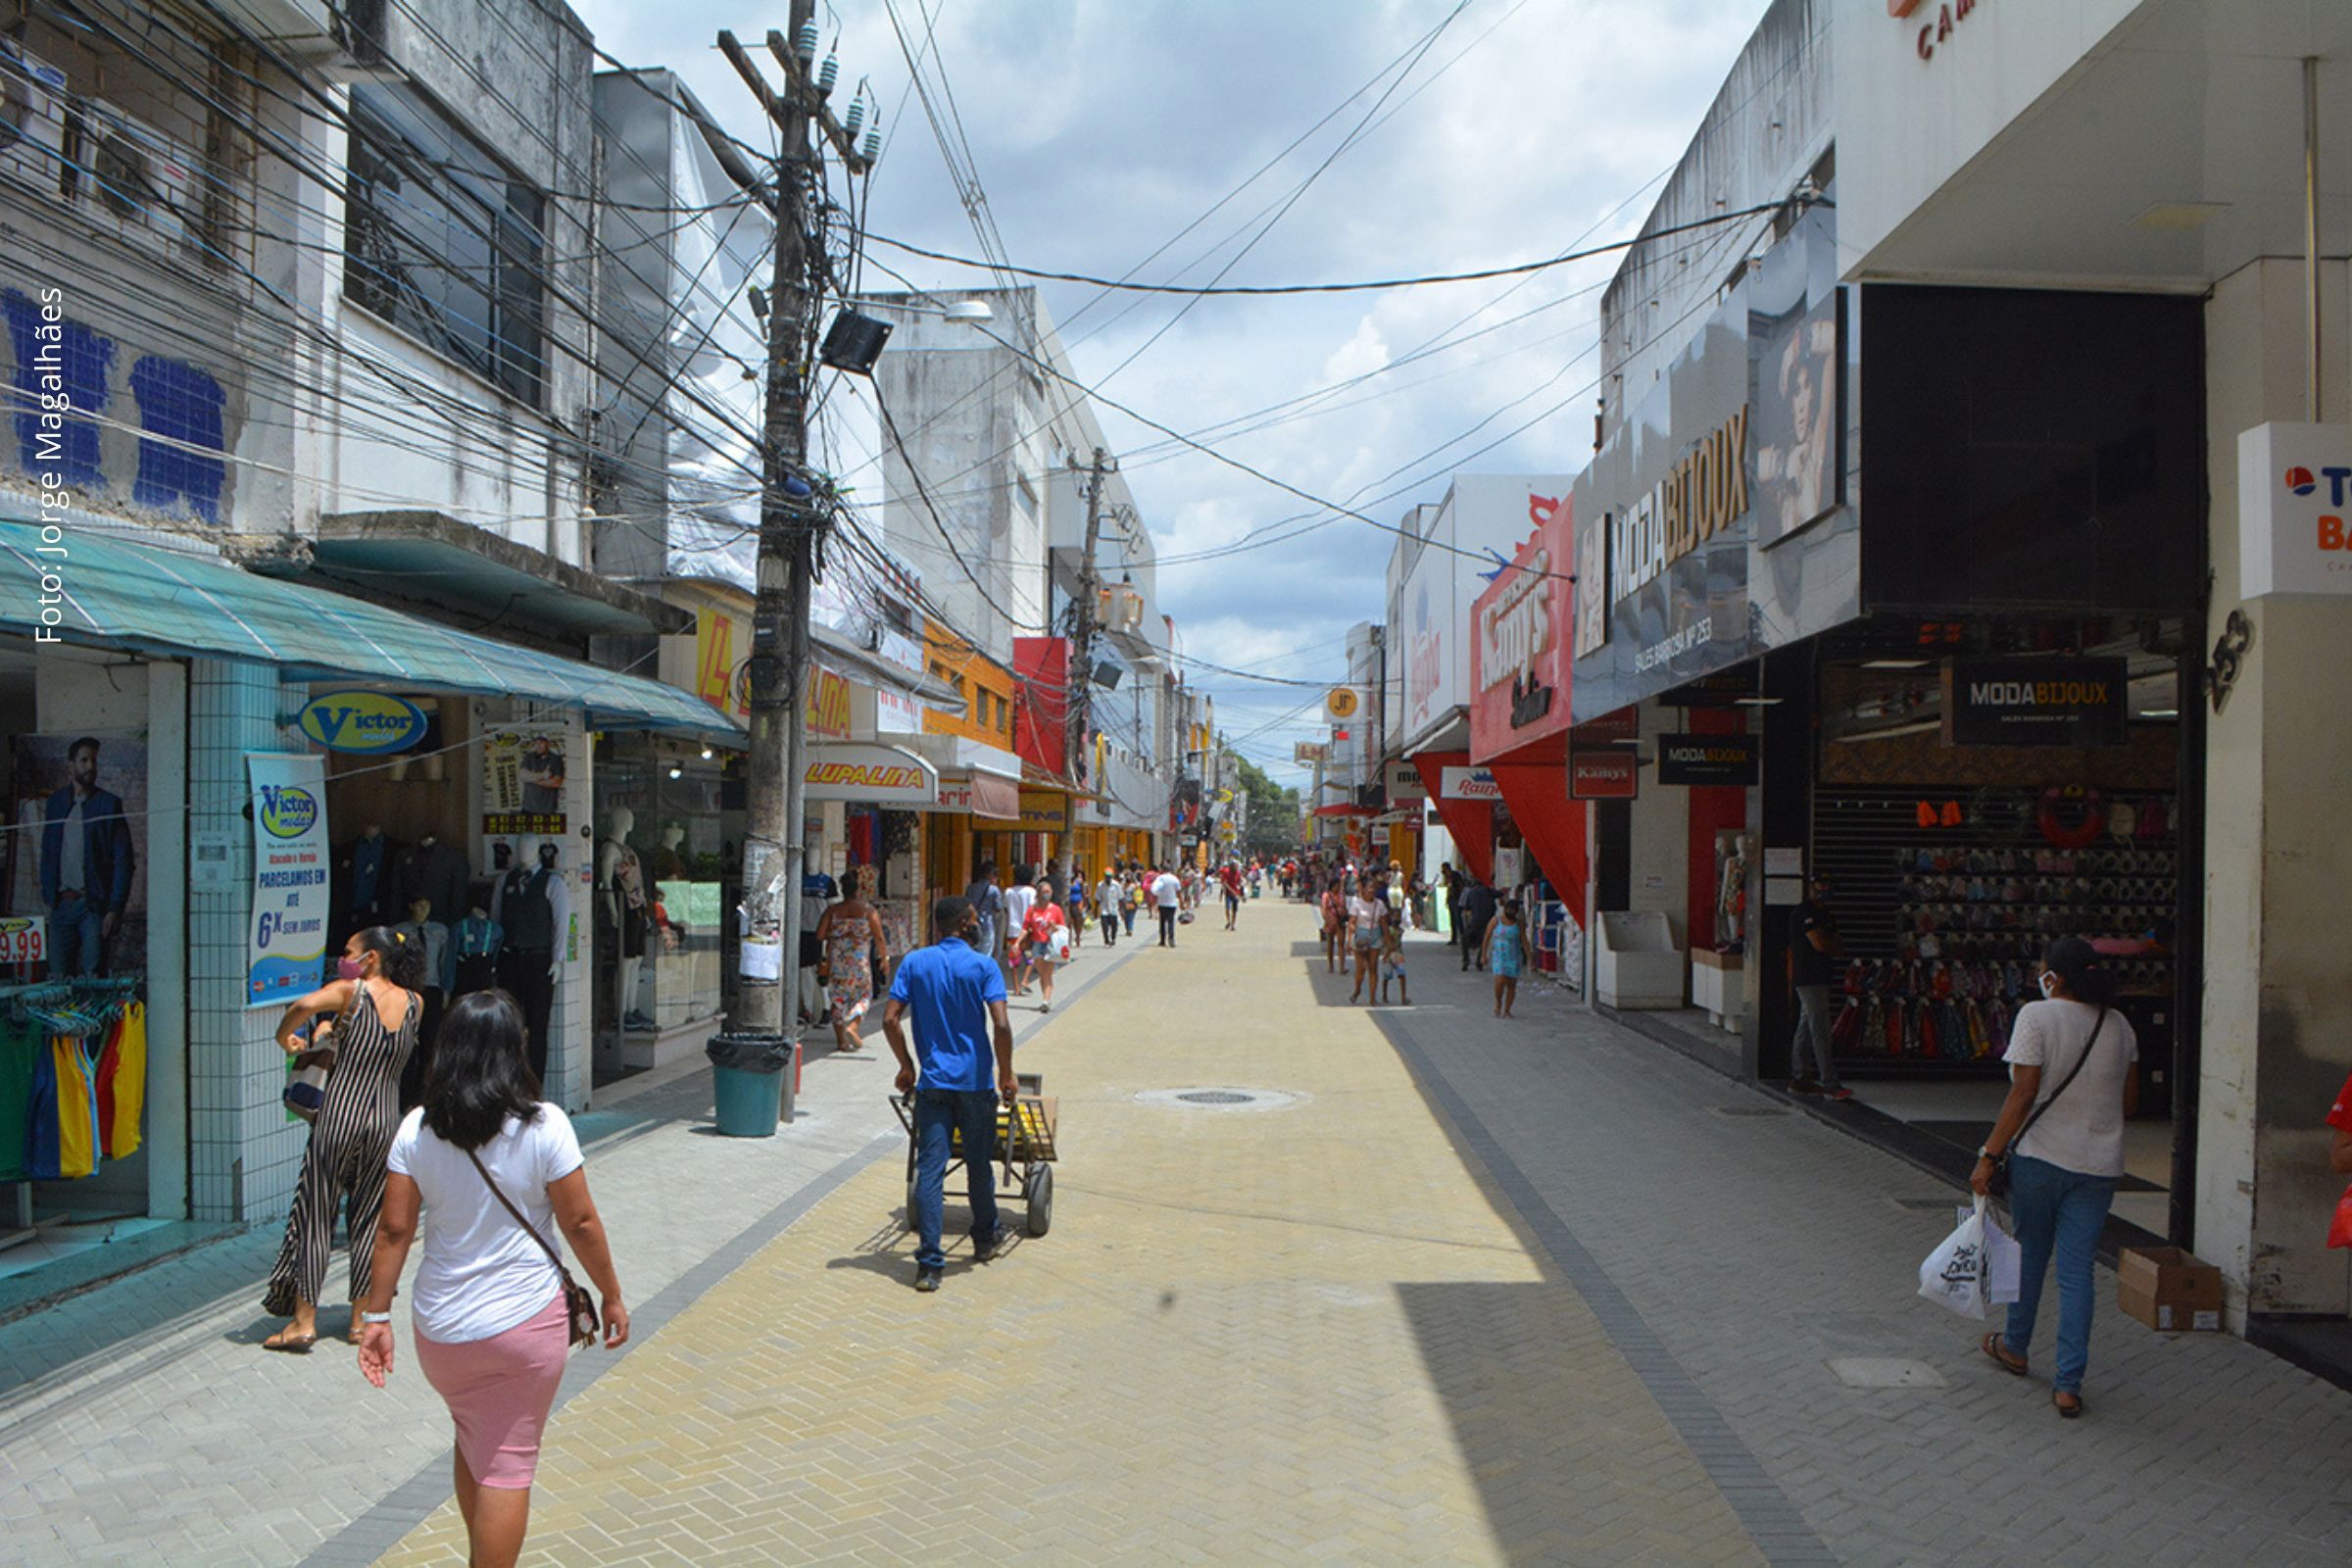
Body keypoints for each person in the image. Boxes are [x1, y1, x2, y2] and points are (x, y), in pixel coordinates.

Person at [356, 990, 626, 1568]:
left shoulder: (417, 1130)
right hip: (523, 1325)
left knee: (476, 1433)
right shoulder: (545, 1125)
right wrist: (611, 1293)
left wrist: (375, 1317)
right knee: (509, 1460)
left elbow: (393, 1232)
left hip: (443, 1332)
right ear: (514, 1050)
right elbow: (579, 1221)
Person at [1972, 938, 2138, 1419]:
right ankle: (2069, 1384)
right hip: (2100, 1166)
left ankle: (2016, 1346)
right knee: (2077, 1273)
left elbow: (2023, 1094)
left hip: (2041, 1159)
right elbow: (2129, 1104)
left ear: (2056, 977)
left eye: (2042, 970)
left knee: (2029, 1253)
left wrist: (1988, 1155)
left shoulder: (2036, 1018)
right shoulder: (2119, 1024)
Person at [263, 926, 424, 1351]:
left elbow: (302, 1005)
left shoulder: (349, 992)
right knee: (370, 1220)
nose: (344, 958)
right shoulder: (414, 1004)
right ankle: (358, 1321)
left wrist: (286, 1038)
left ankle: (303, 1321)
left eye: (350, 952)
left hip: (339, 1116)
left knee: (316, 1215)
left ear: (370, 958)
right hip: (384, 1123)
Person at [883, 896, 1018, 1292]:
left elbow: (890, 1018)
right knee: (979, 1165)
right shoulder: (983, 966)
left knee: (930, 1170)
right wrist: (1006, 1074)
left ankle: (928, 1266)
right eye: (974, 919)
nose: (978, 924)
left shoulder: (914, 963)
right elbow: (1002, 1025)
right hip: (975, 1084)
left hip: (933, 1085)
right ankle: (984, 1239)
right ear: (963, 924)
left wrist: (906, 1065)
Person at [38, 736, 135, 978]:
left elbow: (123, 859)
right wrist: (48, 893)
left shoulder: (108, 804)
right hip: (61, 904)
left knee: (94, 974)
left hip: (92, 905)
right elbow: (48, 850)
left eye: (94, 760)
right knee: (58, 976)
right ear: (70, 765)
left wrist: (115, 907)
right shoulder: (56, 803)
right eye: (84, 760)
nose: (90, 767)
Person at [1787, 872, 1851, 1101]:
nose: (1825, 888)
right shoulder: (1803, 913)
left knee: (1806, 1026)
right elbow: (1821, 944)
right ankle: (1830, 1083)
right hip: (1808, 978)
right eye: (1821, 884)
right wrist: (1826, 942)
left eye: (1828, 883)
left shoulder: (1825, 915)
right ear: (1811, 886)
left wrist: (1827, 943)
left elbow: (1837, 944)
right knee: (1820, 1028)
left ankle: (1800, 1078)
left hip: (1822, 976)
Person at [813, 865, 888, 1054]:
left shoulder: (833, 911)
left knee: (838, 999)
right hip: (859, 962)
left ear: (841, 889)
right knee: (863, 995)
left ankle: (841, 1041)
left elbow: (819, 935)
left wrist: (837, 935)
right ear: (858, 889)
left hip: (837, 962)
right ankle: (853, 1027)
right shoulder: (868, 911)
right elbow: (879, 937)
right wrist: (884, 959)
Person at [1022, 886, 1067, 1011]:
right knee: (1043, 974)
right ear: (1039, 893)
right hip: (1037, 944)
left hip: (1050, 944)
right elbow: (1025, 927)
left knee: (1047, 973)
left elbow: (1062, 928)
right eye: (1043, 892)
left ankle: (1045, 1001)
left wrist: (1054, 927)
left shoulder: (1056, 910)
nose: (1046, 894)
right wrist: (1017, 943)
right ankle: (1045, 998)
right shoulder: (1032, 910)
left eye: (1048, 892)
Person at [1486, 902, 1531, 1017]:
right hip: (1499, 956)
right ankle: (1498, 1002)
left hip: (1514, 956)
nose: (1511, 913)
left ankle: (1507, 1009)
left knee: (1511, 984)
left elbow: (1524, 940)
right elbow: (1487, 936)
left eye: (1513, 912)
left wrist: (1529, 956)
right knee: (1500, 981)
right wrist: (1483, 954)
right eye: (1509, 910)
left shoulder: (1518, 924)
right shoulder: (1496, 921)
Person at [1347, 879, 1385, 1004]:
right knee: (1361, 969)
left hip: (1375, 936)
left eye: (1374, 888)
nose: (1372, 890)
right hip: (1360, 939)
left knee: (1373, 968)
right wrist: (1350, 939)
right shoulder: (1356, 904)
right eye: (1370, 887)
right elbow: (1352, 922)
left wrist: (1389, 940)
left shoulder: (1380, 904)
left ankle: (1373, 998)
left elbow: (1384, 923)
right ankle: (1357, 989)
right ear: (1363, 889)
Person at [962, 860, 1004, 974]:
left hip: (972, 924)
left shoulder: (970, 888)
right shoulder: (993, 890)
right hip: (987, 925)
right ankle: (982, 974)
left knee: (973, 949)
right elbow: (998, 907)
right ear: (989, 874)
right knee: (986, 951)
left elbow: (966, 904)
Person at [1004, 865, 1039, 996]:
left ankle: (1016, 987)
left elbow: (1006, 909)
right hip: (1027, 930)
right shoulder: (1031, 892)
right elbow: (1033, 910)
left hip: (1012, 929)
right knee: (1030, 955)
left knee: (1013, 960)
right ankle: (1025, 979)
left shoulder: (1008, 892)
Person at [1457, 875, 1497, 973]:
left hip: (1475, 920)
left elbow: (1466, 907)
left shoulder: (1471, 892)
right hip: (1487, 920)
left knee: (1464, 939)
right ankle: (1479, 962)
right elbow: (1498, 897)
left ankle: (1466, 961)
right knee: (1484, 940)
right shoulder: (1488, 891)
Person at [1378, 899, 1409, 1005]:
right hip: (1390, 954)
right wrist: (1385, 955)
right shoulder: (1389, 930)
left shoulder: (1399, 930)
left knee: (1401, 975)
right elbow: (1388, 943)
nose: (1397, 919)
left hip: (1398, 954)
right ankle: (1385, 995)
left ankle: (1403, 997)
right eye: (1395, 916)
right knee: (1387, 976)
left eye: (1398, 916)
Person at [1151, 865, 1183, 947]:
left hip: (1162, 903)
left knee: (1162, 922)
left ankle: (1162, 940)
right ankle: (1171, 940)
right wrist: (1182, 902)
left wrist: (1154, 903)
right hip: (1172, 904)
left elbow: (1155, 890)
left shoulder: (1160, 878)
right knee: (1171, 922)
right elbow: (1178, 891)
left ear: (1163, 870)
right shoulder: (1175, 879)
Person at [1320, 880, 1347, 974]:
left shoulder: (1341, 896)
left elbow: (1345, 907)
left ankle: (1342, 967)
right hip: (1330, 922)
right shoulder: (1326, 896)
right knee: (1330, 944)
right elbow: (1323, 908)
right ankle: (1331, 965)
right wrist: (1326, 919)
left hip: (1340, 922)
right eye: (1336, 886)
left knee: (1341, 945)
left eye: (1339, 886)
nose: (1338, 888)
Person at [1096, 868, 1123, 947]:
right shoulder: (1100, 885)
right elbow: (1097, 898)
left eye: (1109, 877)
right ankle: (1106, 940)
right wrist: (1095, 910)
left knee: (1114, 927)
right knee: (1105, 927)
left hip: (1114, 910)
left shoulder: (1116, 885)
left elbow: (1121, 898)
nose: (1108, 878)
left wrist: (1122, 910)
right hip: (1104, 909)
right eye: (1107, 877)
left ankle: (1113, 938)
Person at [1219, 860, 1245, 930]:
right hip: (1228, 893)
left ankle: (1233, 924)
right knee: (1227, 908)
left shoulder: (1238, 873)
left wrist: (1242, 894)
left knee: (1234, 910)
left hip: (1236, 894)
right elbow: (1224, 883)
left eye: (1237, 866)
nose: (1236, 867)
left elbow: (1240, 882)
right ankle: (1228, 921)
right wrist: (1231, 891)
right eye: (1235, 866)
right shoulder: (1227, 873)